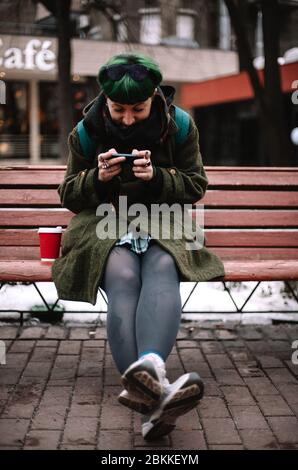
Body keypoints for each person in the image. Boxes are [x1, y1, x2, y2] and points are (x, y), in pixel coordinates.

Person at [52, 53, 225, 440]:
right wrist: (97, 178)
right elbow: (69, 194)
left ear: (154, 100)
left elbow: (196, 184)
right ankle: (156, 389)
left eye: (138, 109)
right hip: (105, 223)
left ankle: (148, 379)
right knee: (122, 271)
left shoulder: (179, 126)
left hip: (163, 220)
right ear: (105, 102)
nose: (127, 119)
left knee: (163, 265)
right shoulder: (86, 131)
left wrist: (159, 177)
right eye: (118, 110)